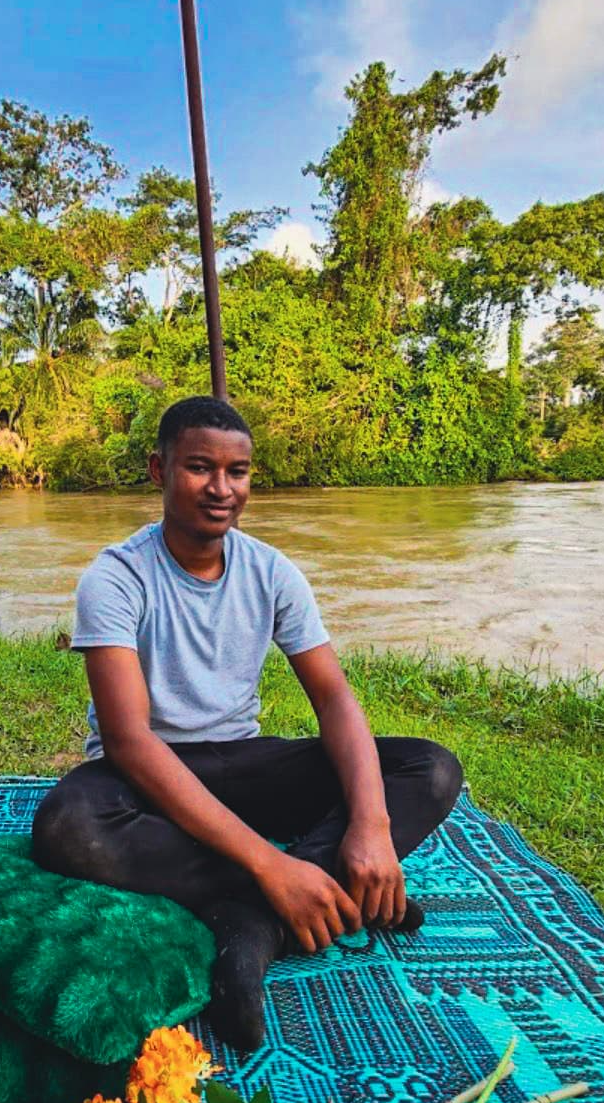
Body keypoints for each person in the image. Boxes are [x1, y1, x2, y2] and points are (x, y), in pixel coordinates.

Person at [32, 396, 463, 1051]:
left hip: (240, 761)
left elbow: (334, 700)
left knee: (426, 768)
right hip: (142, 779)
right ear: (158, 469)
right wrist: (268, 864)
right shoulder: (116, 577)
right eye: (199, 468)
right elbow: (128, 740)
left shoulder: (271, 571)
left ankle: (256, 921)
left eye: (238, 472)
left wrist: (372, 828)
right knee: (67, 824)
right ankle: (301, 894)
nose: (221, 488)